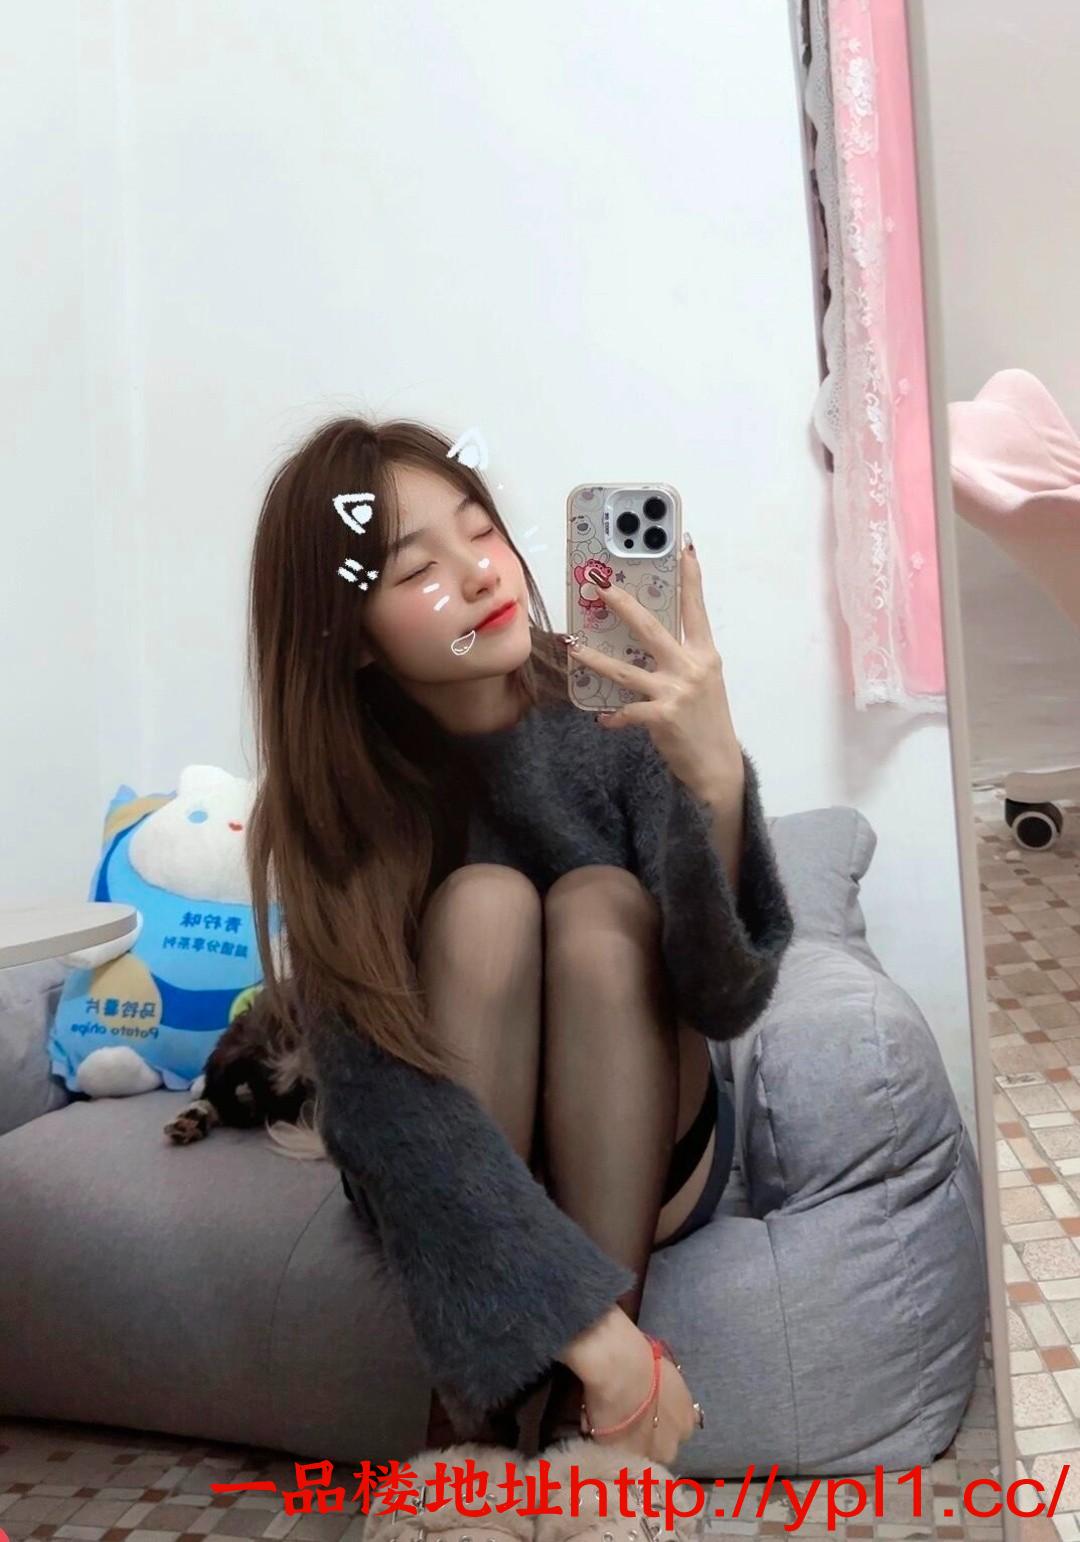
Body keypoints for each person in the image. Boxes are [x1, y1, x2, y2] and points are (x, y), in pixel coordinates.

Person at [243, 416, 795, 1470]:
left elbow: (722, 1001)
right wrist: (598, 1339)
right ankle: (472, 1436)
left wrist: (718, 781)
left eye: (481, 529)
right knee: (485, 906)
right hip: (444, 1176)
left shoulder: (617, 712)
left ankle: (605, 1444)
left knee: (596, 907)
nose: (479, 575)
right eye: (416, 569)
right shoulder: (333, 794)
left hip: (649, 1149)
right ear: (350, 636)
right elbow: (374, 1099)